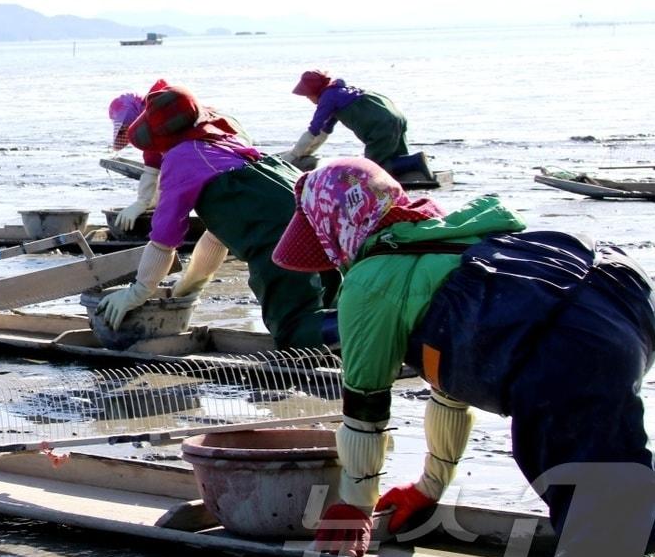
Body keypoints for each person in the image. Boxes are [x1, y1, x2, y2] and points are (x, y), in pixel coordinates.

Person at [273, 157, 655, 557]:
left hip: (561, 336)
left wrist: (354, 503)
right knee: (608, 451)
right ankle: (632, 550)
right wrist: (430, 486)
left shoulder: (371, 281)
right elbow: (450, 388)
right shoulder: (451, 232)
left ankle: (622, 542)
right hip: (623, 299)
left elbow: (365, 410)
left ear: (337, 224)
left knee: (576, 486)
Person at [96, 84, 335, 349]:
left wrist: (138, 291)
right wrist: (189, 286)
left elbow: (163, 243)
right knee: (332, 300)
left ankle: (368, 333)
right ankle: (365, 338)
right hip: (319, 214)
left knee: (295, 329)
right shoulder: (224, 141)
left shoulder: (180, 160)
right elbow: (218, 235)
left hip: (279, 233)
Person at [107, 81, 250, 233]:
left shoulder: (156, 123)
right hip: (233, 143)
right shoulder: (166, 105)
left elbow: (152, 170)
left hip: (222, 153)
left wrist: (141, 203)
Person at [282, 70, 431, 180]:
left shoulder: (327, 98)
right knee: (396, 156)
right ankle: (412, 167)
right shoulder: (339, 93)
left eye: (308, 95)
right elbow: (324, 131)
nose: (308, 98)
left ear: (315, 91)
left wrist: (294, 155)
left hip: (380, 125)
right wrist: (306, 152)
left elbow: (314, 129)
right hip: (394, 117)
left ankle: (416, 161)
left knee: (371, 169)